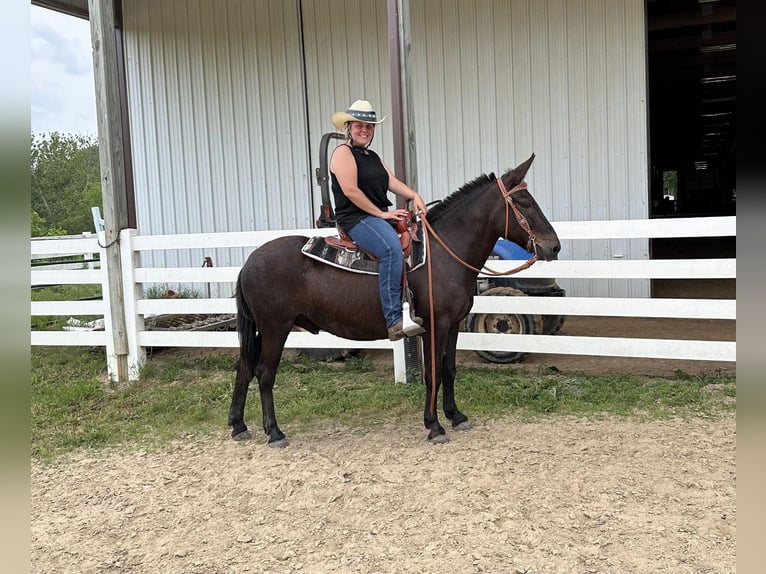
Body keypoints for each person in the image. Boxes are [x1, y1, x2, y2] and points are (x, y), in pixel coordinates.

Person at [330, 99, 428, 341]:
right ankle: (394, 319)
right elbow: (351, 191)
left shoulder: (372, 156)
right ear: (349, 128)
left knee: (420, 235)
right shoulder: (343, 153)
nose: (364, 130)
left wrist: (414, 195)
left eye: (369, 126)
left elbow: (391, 182)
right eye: (359, 125)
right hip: (357, 219)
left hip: (376, 216)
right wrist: (383, 214)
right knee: (391, 250)